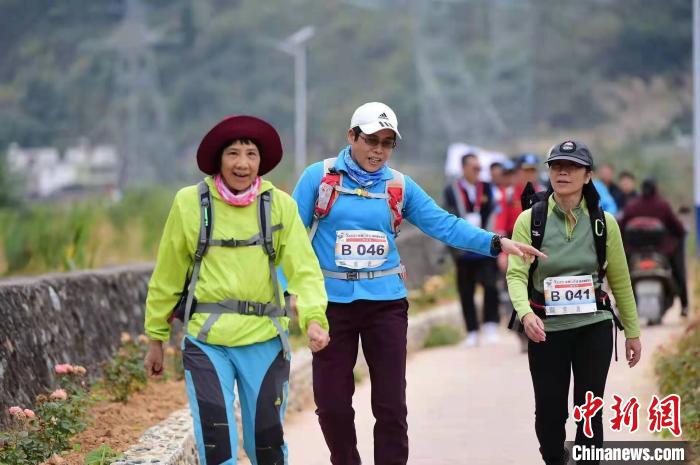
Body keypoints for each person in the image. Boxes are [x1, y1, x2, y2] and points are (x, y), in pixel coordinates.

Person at [292, 101, 545, 465]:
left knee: (391, 404)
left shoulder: (398, 186)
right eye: (371, 140)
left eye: (387, 143)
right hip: (332, 305)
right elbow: (290, 239)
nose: (378, 150)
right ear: (351, 136)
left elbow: (443, 223)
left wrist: (495, 242)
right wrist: (294, 293)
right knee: (332, 405)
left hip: (386, 304)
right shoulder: (318, 178)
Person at [143, 115, 330, 465]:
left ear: (260, 162)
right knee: (217, 446)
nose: (242, 163)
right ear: (219, 159)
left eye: (250, 154)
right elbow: (167, 275)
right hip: (205, 341)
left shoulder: (280, 206)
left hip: (264, 339)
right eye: (233, 153)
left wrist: (314, 318)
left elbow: (304, 271)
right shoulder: (189, 204)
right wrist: (155, 337)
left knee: (267, 448)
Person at [507, 140, 642, 465]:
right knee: (551, 413)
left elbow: (620, 280)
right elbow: (516, 275)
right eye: (555, 166)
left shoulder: (603, 223)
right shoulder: (530, 220)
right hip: (545, 330)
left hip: (592, 327)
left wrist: (632, 332)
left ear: (587, 176)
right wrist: (525, 315)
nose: (562, 171)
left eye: (571, 166)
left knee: (589, 410)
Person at [443, 153, 499, 346]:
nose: (477, 172)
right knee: (466, 291)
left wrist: (492, 239)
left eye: (479, 168)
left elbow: (492, 211)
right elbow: (448, 214)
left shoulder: (487, 187)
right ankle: (472, 330)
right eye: (474, 168)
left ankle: (491, 324)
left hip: (485, 246)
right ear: (464, 168)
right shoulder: (452, 189)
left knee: (491, 287)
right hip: (463, 249)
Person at [620, 178, 688, 317]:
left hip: (634, 252)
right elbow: (678, 228)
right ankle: (684, 305)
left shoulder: (632, 206)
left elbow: (620, 227)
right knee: (678, 271)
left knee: (621, 276)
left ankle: (619, 305)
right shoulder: (663, 205)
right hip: (662, 251)